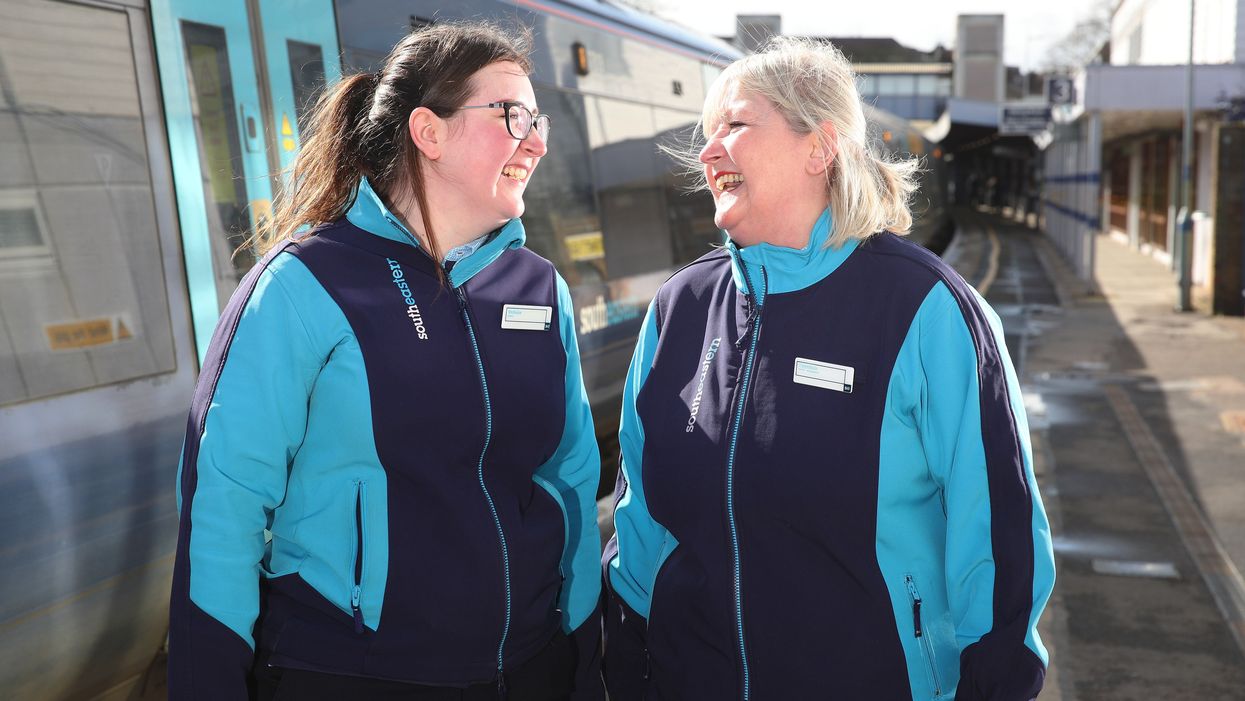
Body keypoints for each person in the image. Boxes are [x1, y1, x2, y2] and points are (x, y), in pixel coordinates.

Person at [602, 37, 1055, 700]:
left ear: (818, 148)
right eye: (707, 132)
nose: (707, 151)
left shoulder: (925, 309)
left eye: (734, 125)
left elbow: (997, 537)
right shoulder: (682, 305)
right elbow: (639, 517)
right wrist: (626, 665)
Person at [169, 23, 603, 700]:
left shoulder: (539, 288)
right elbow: (224, 506)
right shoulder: (304, 284)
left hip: (529, 668)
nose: (537, 141)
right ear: (428, 132)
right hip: (354, 672)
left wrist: (582, 654)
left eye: (537, 120)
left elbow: (570, 477)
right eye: (512, 116)